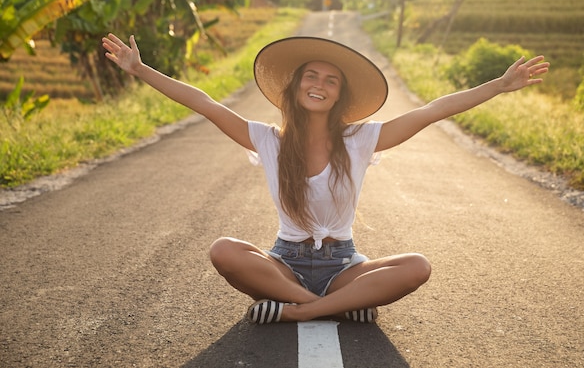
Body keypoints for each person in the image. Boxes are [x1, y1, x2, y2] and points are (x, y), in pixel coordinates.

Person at [102, 33, 549, 324]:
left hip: (344, 268)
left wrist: (497, 85)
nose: (319, 84)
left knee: (417, 266)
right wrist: (139, 70)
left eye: (331, 80)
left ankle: (299, 312)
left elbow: (431, 110)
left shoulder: (360, 139)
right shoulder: (267, 140)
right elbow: (205, 103)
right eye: (311, 76)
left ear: (340, 95)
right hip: (284, 264)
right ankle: (335, 309)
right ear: (296, 86)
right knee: (223, 250)